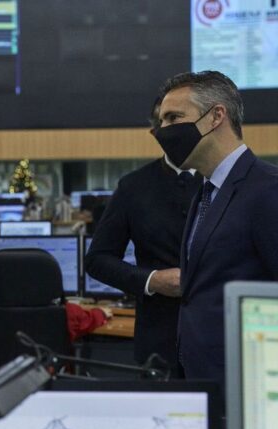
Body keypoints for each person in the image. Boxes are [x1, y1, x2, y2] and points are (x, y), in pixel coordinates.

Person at [155, 70, 278, 385]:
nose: (161, 131)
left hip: (250, 385)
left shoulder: (267, 190)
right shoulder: (205, 192)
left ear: (216, 117)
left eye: (173, 118)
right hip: (202, 380)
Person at [85, 97, 200, 374]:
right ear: (154, 133)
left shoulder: (227, 181)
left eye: (177, 119)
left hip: (223, 337)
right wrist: (152, 280)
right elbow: (98, 259)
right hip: (159, 342)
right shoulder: (133, 187)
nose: (169, 128)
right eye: (163, 122)